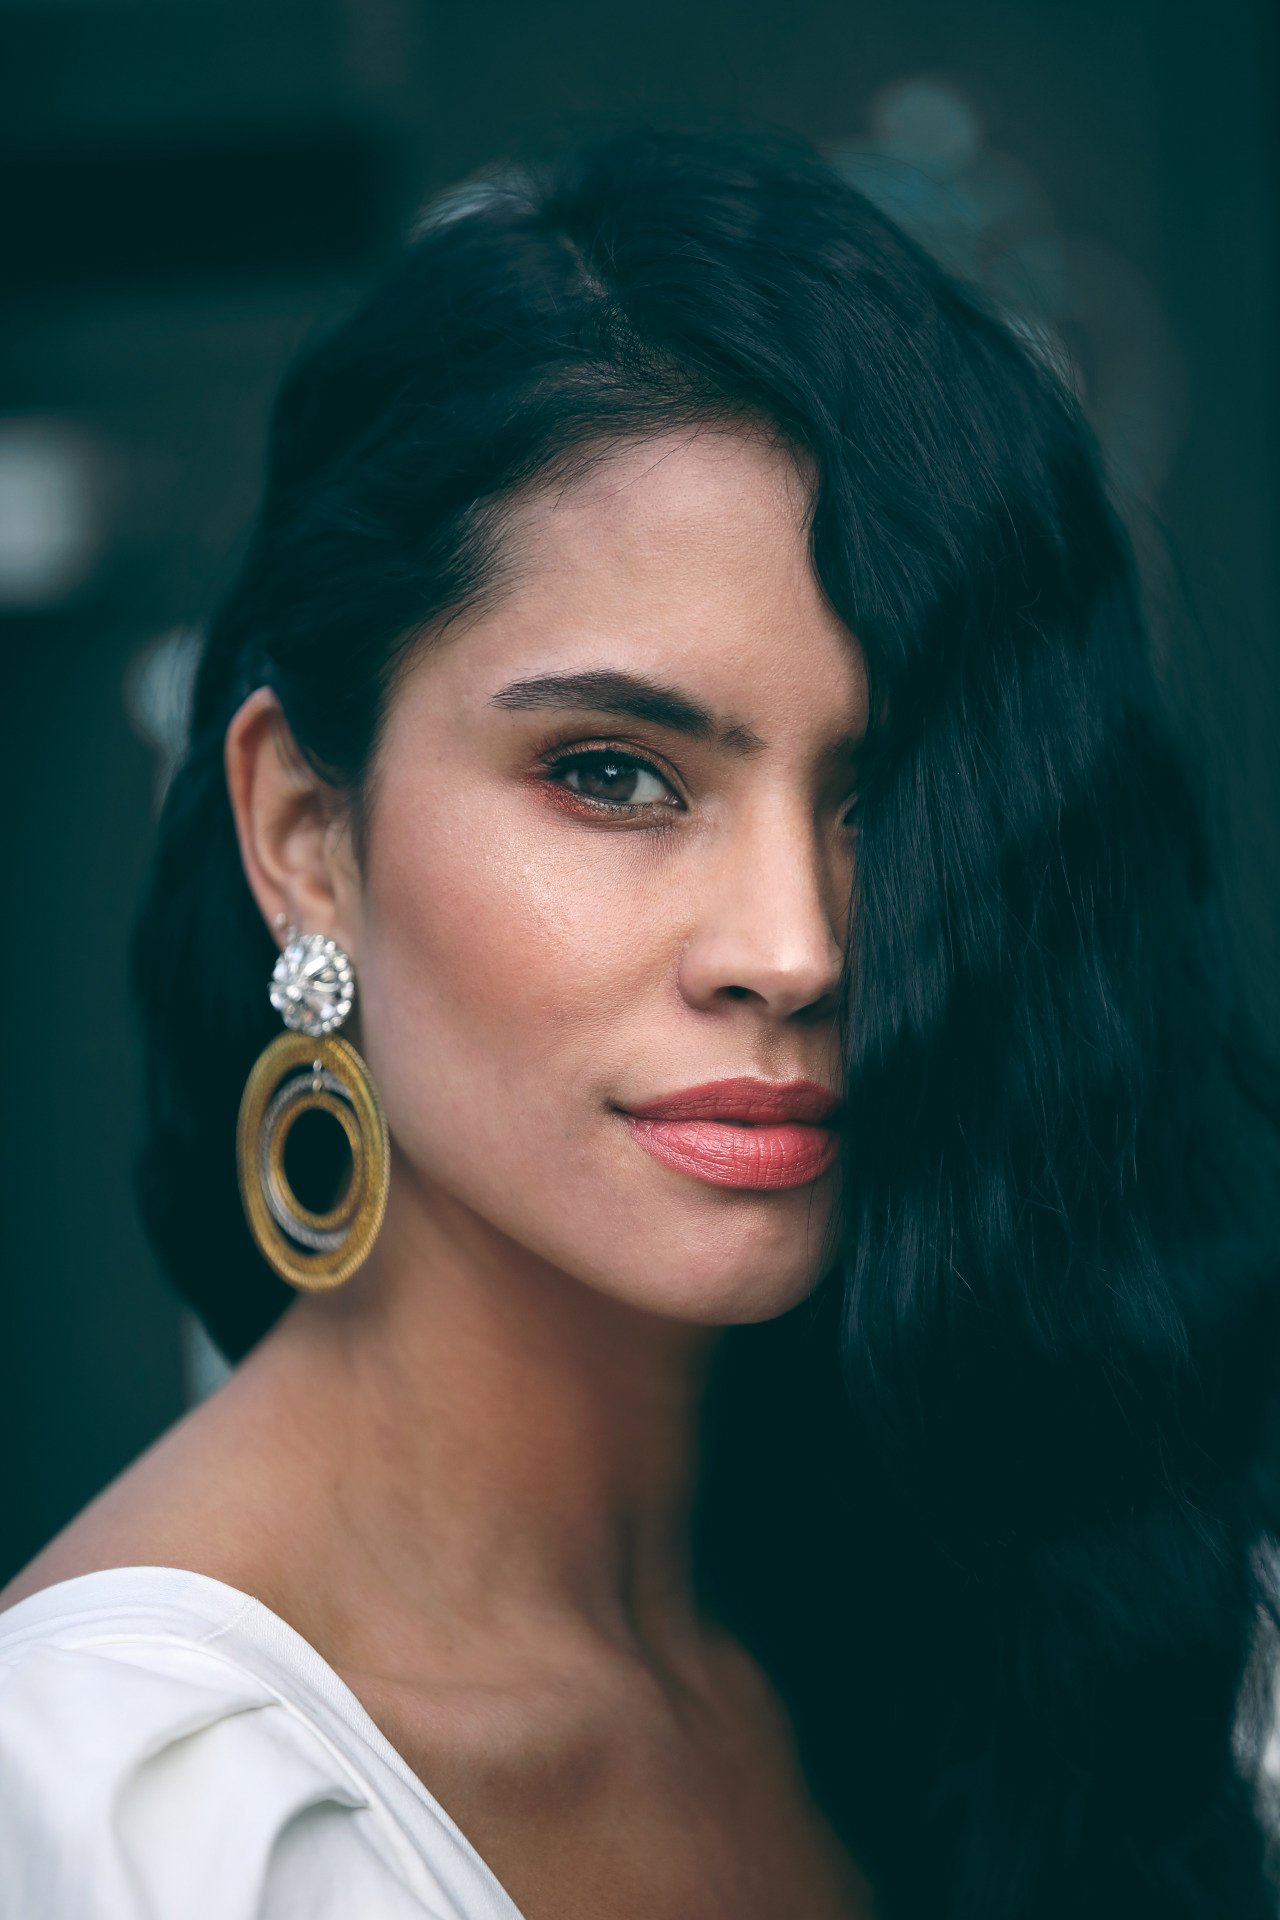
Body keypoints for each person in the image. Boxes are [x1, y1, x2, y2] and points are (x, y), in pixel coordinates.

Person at [2, 122, 1279, 1920]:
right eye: (614, 774)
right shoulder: (114, 1820)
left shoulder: (1074, 1629)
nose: (796, 945)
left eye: (884, 790)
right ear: (306, 833)